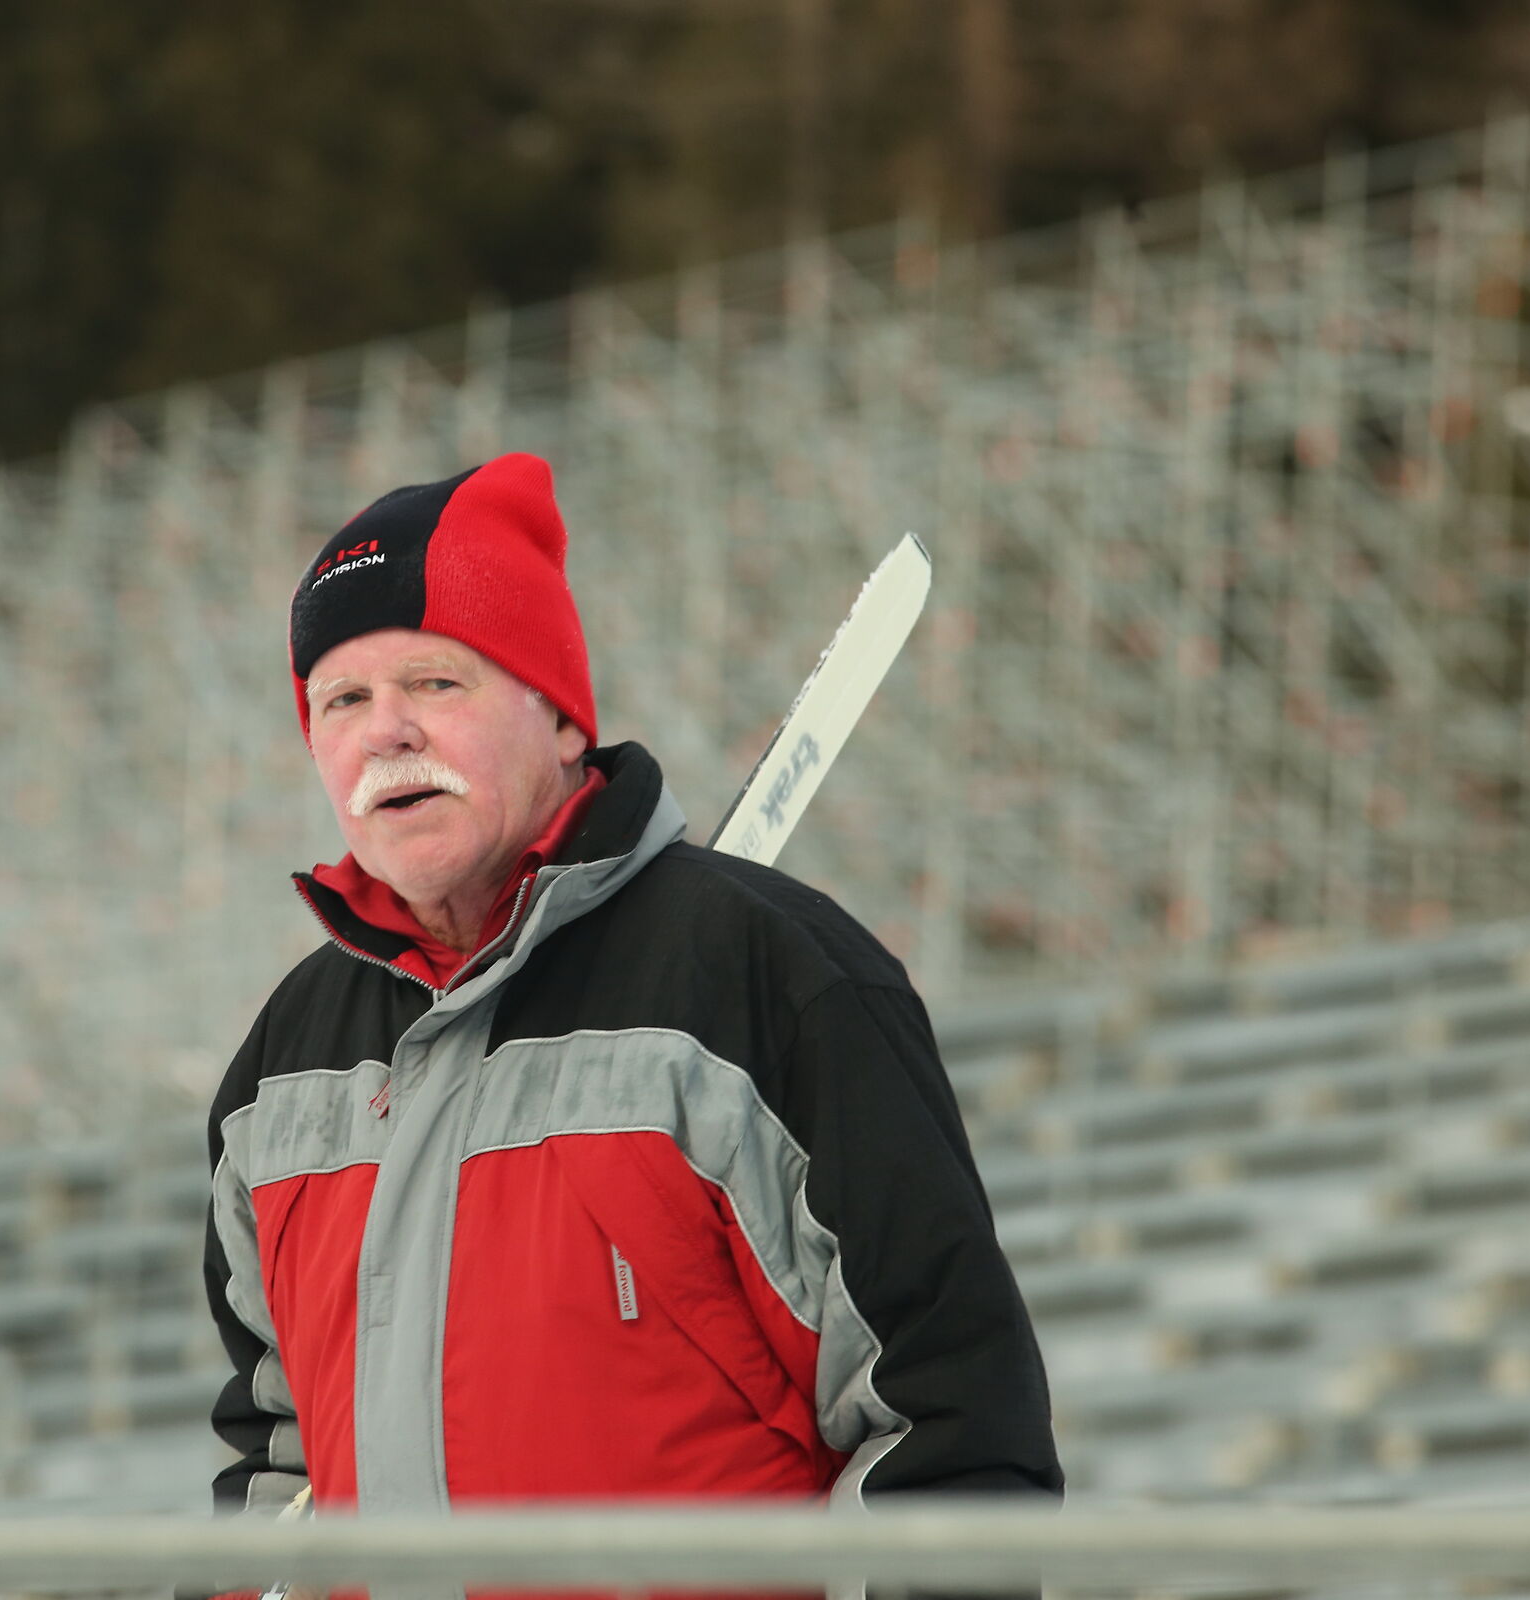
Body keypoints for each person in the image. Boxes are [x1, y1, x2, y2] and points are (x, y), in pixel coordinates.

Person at [201, 452, 1060, 1548]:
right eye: (343, 700)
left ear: (559, 715)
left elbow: (948, 1432)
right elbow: (277, 1464)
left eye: (436, 682)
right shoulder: (280, 1071)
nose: (386, 731)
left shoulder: (767, 978)